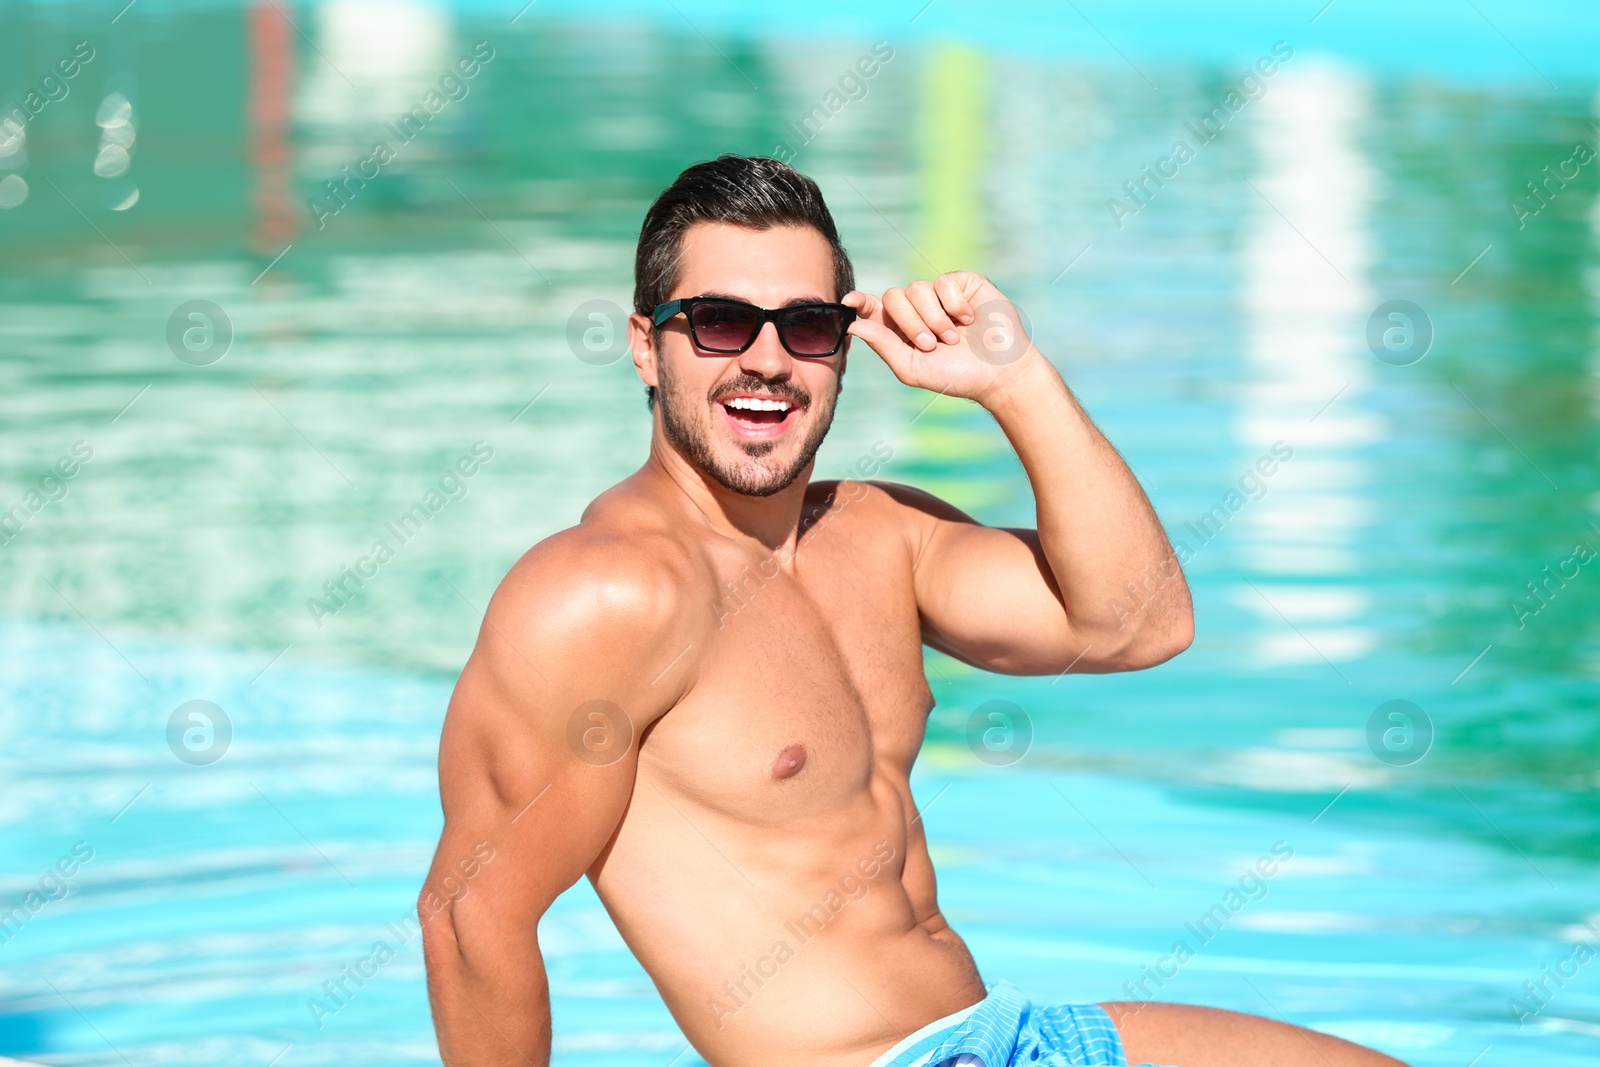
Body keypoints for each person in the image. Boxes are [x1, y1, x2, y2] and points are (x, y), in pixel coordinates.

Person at [419, 155, 1408, 1067]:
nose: (767, 359)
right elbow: (473, 915)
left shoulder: (878, 533)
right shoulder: (606, 592)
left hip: (1005, 1031)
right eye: (720, 320)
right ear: (646, 346)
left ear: (841, 348)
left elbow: (1137, 623)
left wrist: (1013, 382)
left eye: (806, 326)